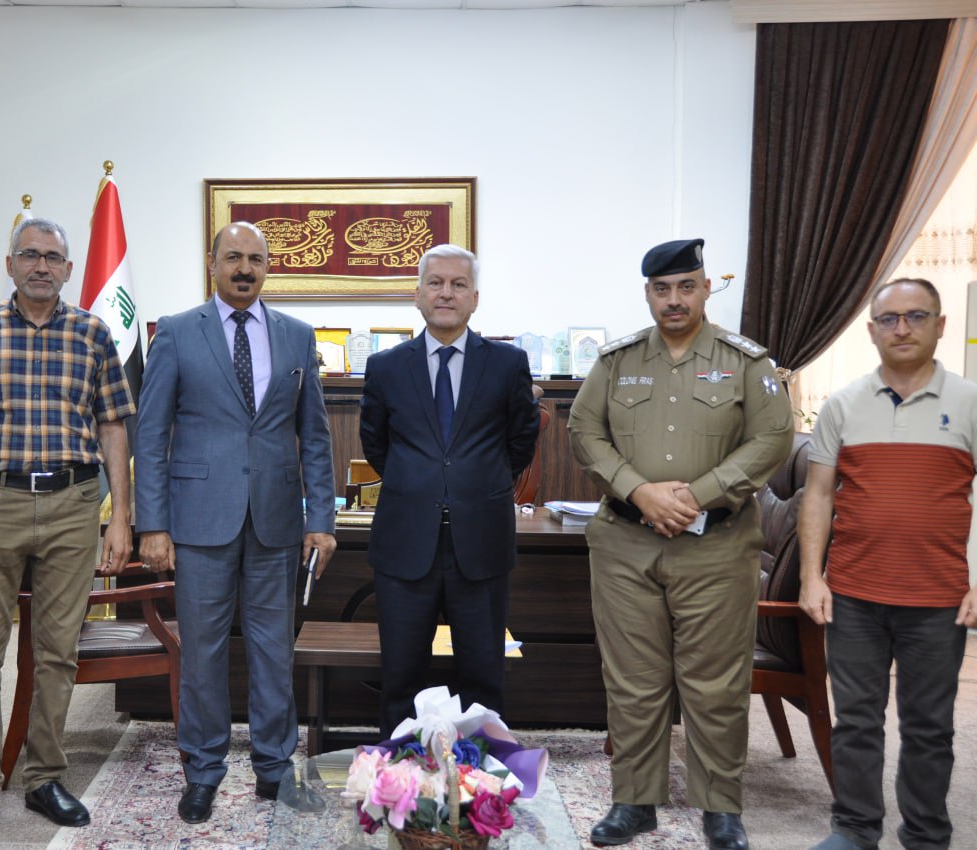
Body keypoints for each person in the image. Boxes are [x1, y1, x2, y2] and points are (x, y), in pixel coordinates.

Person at [567, 238, 793, 849]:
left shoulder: (746, 360)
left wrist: (698, 494)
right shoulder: (616, 360)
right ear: (647, 293)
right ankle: (634, 802)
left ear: (704, 289)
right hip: (625, 543)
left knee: (715, 682)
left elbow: (773, 436)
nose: (674, 299)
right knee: (633, 681)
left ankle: (721, 808)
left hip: (716, 546)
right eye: (662, 289)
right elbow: (584, 429)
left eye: (686, 287)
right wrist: (639, 491)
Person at [0, 217, 135, 841]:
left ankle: (45, 775)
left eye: (53, 257)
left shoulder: (93, 333)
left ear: (70, 270)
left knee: (56, 652)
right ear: (10, 263)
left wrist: (121, 516)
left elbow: (114, 428)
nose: (41, 265)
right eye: (30, 255)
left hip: (74, 504)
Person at [132, 221, 337, 824]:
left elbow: (315, 437)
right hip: (198, 522)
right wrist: (154, 525)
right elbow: (151, 432)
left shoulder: (297, 336)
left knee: (275, 651)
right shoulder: (174, 333)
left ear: (269, 266)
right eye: (233, 258)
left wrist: (320, 519)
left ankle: (274, 768)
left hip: (276, 521)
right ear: (212, 262)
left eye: (255, 259)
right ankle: (203, 769)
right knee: (202, 651)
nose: (244, 268)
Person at [798, 278, 977, 850]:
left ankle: (926, 835)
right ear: (872, 329)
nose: (902, 328)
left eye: (916, 316)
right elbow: (819, 496)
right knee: (856, 722)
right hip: (853, 593)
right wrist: (810, 577)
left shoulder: (970, 404)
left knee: (929, 728)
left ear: (940, 325)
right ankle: (853, 829)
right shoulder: (843, 404)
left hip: (938, 597)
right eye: (890, 319)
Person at [359, 243, 541, 736]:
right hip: (404, 542)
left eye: (458, 284)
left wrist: (473, 484)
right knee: (401, 676)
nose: (446, 293)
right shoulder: (387, 367)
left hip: (480, 541)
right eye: (435, 283)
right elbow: (376, 444)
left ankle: (481, 789)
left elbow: (521, 440)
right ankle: (396, 790)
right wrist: (423, 483)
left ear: (475, 298)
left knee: (483, 674)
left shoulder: (506, 363)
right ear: (417, 295)